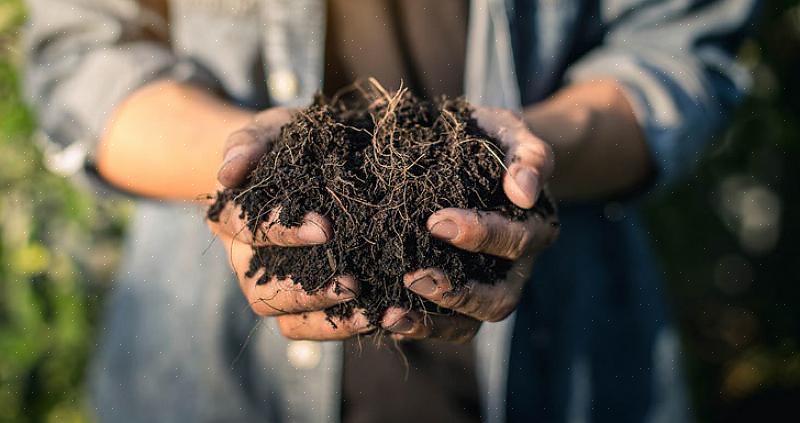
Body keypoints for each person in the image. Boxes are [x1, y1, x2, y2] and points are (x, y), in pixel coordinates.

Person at [23, 0, 758, 421]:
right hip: (216, 382)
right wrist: (243, 170)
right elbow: (84, 56)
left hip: (559, 366)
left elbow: (677, 50)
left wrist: (534, 157)